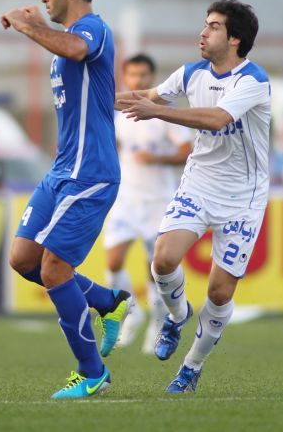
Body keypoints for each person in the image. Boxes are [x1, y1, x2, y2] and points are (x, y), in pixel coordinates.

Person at [118, 0, 270, 393]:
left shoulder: (252, 81)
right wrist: (96, 100)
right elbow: (146, 96)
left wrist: (157, 111)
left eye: (213, 27)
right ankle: (176, 315)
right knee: (163, 259)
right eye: (205, 24)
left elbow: (216, 118)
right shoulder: (190, 73)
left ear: (235, 39)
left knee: (219, 292)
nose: (203, 32)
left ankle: (191, 368)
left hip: (243, 198)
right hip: (199, 184)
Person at [0, 0, 130, 399]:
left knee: (55, 269)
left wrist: (27, 26)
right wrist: (37, 25)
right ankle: (107, 302)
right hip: (61, 170)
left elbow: (75, 49)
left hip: (91, 173)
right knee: (23, 258)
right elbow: (66, 49)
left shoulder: (94, 29)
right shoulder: (67, 38)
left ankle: (92, 373)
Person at [104, 53, 192, 352]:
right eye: (133, 75)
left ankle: (157, 319)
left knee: (155, 269)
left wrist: (155, 158)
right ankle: (131, 311)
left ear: (152, 78)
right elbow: (114, 148)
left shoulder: (163, 112)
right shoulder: (119, 115)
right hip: (126, 199)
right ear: (125, 77)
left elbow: (186, 151)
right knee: (113, 262)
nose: (138, 80)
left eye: (143, 75)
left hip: (159, 201)